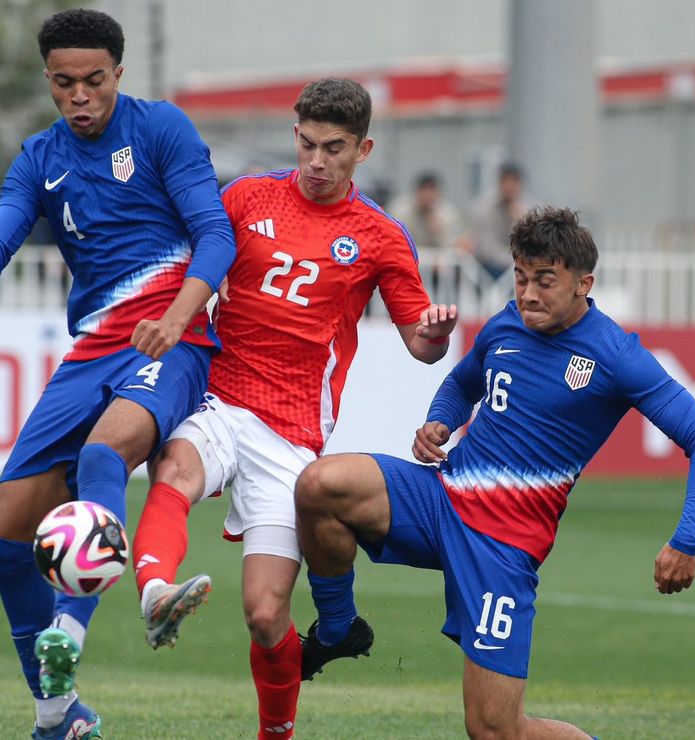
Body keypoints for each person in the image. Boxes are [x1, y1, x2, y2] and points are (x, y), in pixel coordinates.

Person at [0, 9, 236, 739]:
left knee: (102, 453)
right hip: (91, 350)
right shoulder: (37, 157)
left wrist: (181, 316)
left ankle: (71, 628)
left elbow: (216, 235)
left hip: (168, 343)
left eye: (94, 80)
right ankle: (58, 715)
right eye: (65, 83)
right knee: (0, 542)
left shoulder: (162, 131)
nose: (80, 95)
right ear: (49, 81)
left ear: (119, 74)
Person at [294, 206, 695, 738]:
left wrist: (687, 540)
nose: (528, 294)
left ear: (583, 284)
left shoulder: (617, 356)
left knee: (495, 730)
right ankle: (338, 629)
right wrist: (440, 422)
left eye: (545, 281)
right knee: (320, 485)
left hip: (503, 547)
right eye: (521, 277)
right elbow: (461, 382)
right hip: (441, 498)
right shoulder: (505, 322)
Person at [129, 77, 459, 740]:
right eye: (306, 143)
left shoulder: (380, 237)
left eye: (332, 148)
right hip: (222, 400)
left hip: (293, 437)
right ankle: (155, 591)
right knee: (174, 470)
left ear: (362, 149)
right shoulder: (247, 198)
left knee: (263, 613)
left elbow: (419, 343)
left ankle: (276, 733)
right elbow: (194, 262)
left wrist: (437, 333)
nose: (315, 161)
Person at [465, 162, 532, 279]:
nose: (510, 186)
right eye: (506, 180)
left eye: (514, 181)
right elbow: (486, 250)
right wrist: (516, 259)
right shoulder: (484, 209)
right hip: (491, 270)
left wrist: (521, 223)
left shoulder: (529, 209)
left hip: (521, 267)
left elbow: (534, 246)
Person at [389, 171, 461, 250]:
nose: (427, 195)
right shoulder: (401, 209)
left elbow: (453, 246)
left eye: (431, 190)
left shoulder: (447, 214)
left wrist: (438, 232)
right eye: (423, 189)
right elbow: (394, 239)